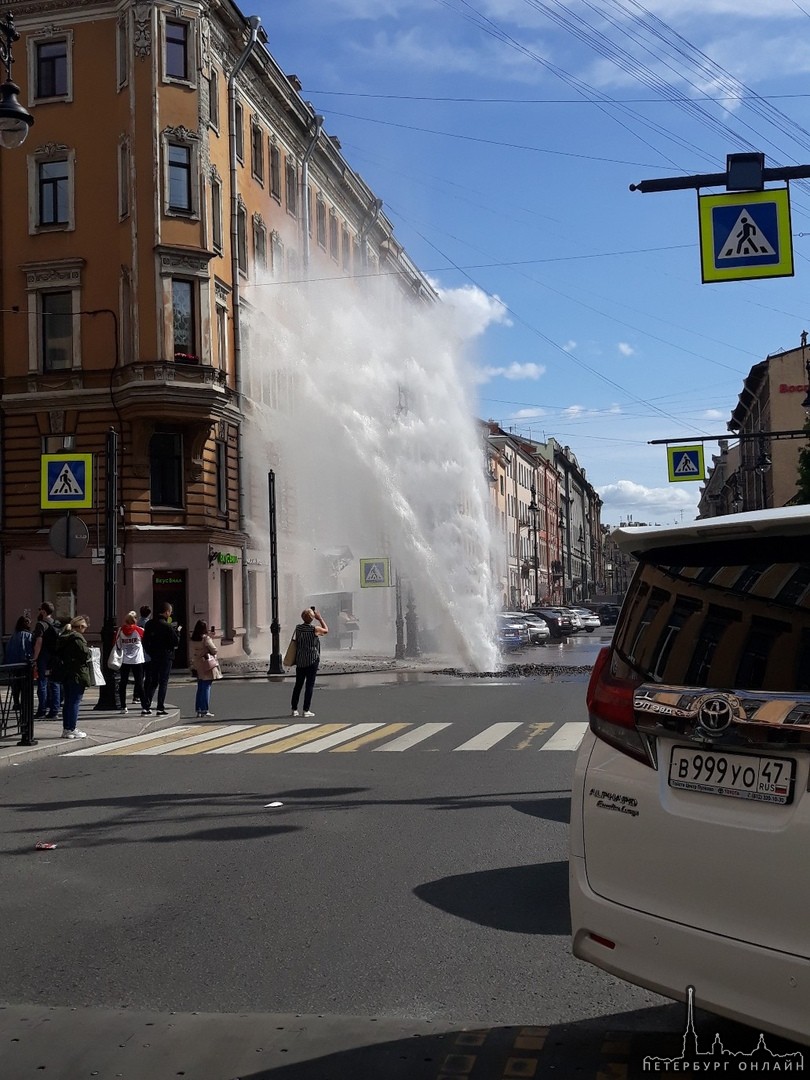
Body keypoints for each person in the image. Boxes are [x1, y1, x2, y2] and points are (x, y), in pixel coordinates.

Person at [54, 615, 91, 740]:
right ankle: (72, 728)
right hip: (77, 673)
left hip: (67, 673)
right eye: (85, 627)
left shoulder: (64, 637)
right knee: (75, 702)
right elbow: (85, 654)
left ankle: (66, 729)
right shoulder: (77, 638)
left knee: (68, 702)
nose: (85, 630)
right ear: (80, 626)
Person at [142, 602, 180, 716]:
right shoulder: (167, 626)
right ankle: (160, 707)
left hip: (154, 656)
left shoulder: (149, 624)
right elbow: (175, 641)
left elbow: (145, 641)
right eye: (170, 612)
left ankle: (146, 707)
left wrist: (150, 652)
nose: (170, 614)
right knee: (163, 682)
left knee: (153, 681)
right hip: (166, 656)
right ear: (166, 612)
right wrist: (178, 632)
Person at [290, 607, 328, 718]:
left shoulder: (298, 628)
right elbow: (326, 630)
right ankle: (306, 710)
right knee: (309, 686)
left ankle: (294, 709)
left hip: (300, 659)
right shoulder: (314, 629)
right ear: (312, 618)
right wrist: (320, 619)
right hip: (312, 660)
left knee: (298, 685)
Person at [31, 601, 62, 720]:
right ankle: (54, 710)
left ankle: (42, 710)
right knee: (54, 683)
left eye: (40, 609)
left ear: (43, 611)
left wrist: (35, 658)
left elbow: (39, 642)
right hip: (55, 657)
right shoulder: (57, 623)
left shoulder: (41, 624)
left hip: (44, 656)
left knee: (42, 683)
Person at [115, 611, 147, 715]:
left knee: (123, 683)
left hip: (124, 660)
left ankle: (123, 706)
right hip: (137, 660)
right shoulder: (139, 630)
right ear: (135, 620)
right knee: (139, 683)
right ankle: (144, 707)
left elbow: (117, 644)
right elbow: (146, 640)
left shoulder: (120, 630)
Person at [189, 621, 222, 717]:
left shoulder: (193, 638)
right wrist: (210, 638)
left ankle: (198, 709)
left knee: (200, 687)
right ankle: (205, 709)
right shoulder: (206, 638)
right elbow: (214, 650)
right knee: (206, 687)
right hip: (206, 664)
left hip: (197, 664)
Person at [5, 614, 33, 710]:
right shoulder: (28, 636)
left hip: (13, 664)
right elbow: (29, 650)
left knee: (15, 685)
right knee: (25, 685)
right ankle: (25, 704)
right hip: (24, 663)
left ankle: (16, 703)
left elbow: (8, 650)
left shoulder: (13, 636)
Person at [133, 605, 152, 704]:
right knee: (148, 676)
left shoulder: (137, 624)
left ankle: (136, 696)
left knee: (139, 676)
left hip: (138, 652)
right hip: (147, 653)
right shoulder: (149, 624)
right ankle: (144, 695)